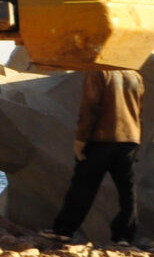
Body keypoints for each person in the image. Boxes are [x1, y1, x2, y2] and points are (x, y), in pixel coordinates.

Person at [50, 64, 144, 242]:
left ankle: (63, 230)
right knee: (127, 190)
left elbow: (89, 108)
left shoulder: (98, 72)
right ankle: (124, 236)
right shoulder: (134, 76)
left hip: (101, 139)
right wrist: (137, 139)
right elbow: (139, 111)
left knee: (82, 187)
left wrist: (80, 140)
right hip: (130, 139)